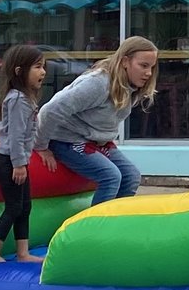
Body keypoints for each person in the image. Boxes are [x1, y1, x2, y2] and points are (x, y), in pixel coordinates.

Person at [39, 35, 158, 206]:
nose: (148, 73)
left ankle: (116, 222)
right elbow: (50, 110)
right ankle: (94, 228)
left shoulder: (131, 87)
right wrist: (41, 146)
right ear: (125, 61)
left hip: (96, 142)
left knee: (131, 176)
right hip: (66, 140)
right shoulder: (98, 83)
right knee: (110, 176)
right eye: (143, 66)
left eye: (152, 67)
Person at [0, 43, 47, 265]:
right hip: (10, 160)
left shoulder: (23, 97)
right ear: (19, 71)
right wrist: (19, 164)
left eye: (43, 67)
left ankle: (22, 252)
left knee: (25, 206)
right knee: (14, 207)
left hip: (16, 159)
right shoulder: (17, 99)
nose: (43, 72)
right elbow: (17, 135)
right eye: (37, 67)